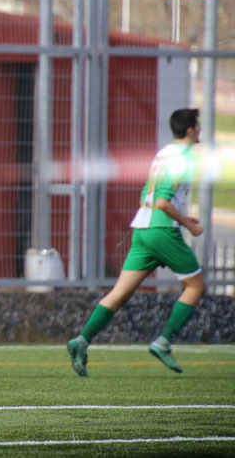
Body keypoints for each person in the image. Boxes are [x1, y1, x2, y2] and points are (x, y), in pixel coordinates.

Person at [67, 108, 205, 376]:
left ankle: (81, 341)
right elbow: (163, 201)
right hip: (161, 230)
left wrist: (181, 216)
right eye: (197, 126)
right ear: (190, 130)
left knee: (120, 293)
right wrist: (189, 224)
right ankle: (164, 341)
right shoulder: (184, 157)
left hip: (142, 228)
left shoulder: (164, 153)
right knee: (196, 286)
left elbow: (148, 195)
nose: (200, 130)